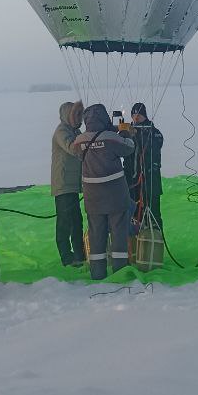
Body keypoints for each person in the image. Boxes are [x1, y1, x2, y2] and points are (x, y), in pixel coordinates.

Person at [69, 103, 135, 280]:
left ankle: (97, 273)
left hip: (93, 198)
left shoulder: (79, 140)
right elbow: (128, 148)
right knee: (118, 233)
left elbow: (77, 151)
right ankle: (120, 273)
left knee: (96, 234)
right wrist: (125, 132)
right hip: (115, 196)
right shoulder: (111, 137)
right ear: (104, 118)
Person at [51, 101, 85, 266]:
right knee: (65, 222)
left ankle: (80, 255)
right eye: (76, 115)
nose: (79, 118)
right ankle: (66, 256)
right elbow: (73, 148)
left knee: (77, 221)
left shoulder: (75, 131)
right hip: (63, 185)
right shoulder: (62, 131)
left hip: (73, 184)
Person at [125, 102, 164, 230]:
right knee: (134, 214)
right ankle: (137, 243)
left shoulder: (154, 132)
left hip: (150, 180)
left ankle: (156, 242)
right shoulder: (128, 133)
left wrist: (139, 134)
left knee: (153, 212)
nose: (136, 118)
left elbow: (156, 145)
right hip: (133, 180)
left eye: (139, 115)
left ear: (144, 116)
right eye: (134, 115)